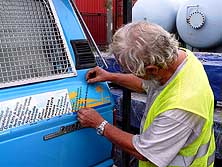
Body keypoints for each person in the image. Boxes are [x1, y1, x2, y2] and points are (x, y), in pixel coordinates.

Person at [77, 21, 215, 167]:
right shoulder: (181, 59)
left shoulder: (180, 107)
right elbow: (147, 84)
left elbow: (143, 151)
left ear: (152, 70)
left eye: (132, 71)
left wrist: (100, 124)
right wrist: (110, 76)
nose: (131, 74)